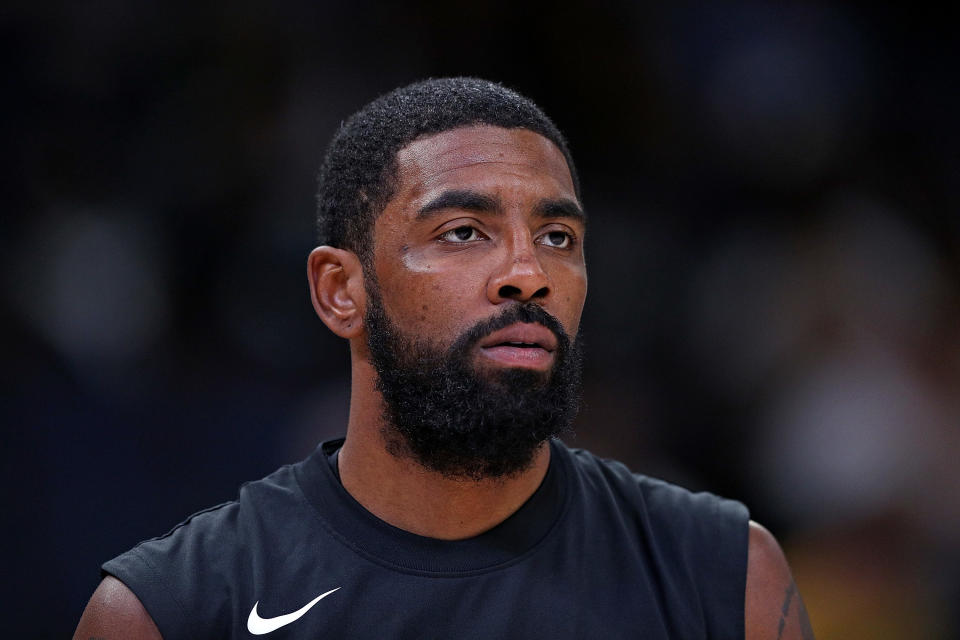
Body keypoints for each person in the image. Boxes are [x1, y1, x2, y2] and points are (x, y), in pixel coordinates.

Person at [74, 77, 815, 639]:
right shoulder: (176, 610)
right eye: (464, 231)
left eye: (558, 236)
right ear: (340, 291)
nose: (529, 272)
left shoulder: (724, 575)